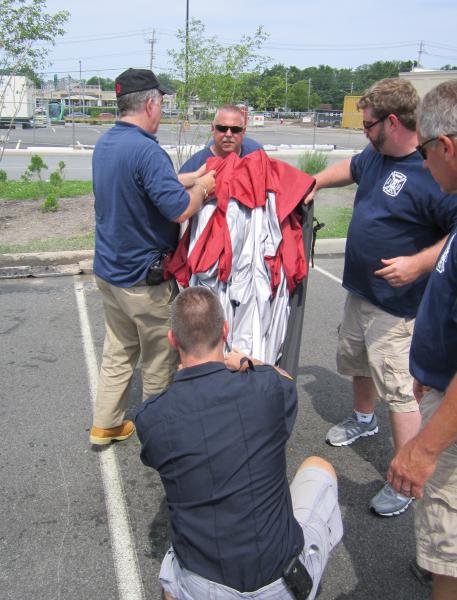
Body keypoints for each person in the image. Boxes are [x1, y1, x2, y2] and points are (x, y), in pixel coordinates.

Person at [304, 78, 457, 516]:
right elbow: (349, 168)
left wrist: (418, 264)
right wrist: (314, 180)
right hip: (361, 291)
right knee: (356, 360)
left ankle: (406, 478)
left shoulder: (433, 172)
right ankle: (362, 419)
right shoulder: (375, 155)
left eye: (369, 125)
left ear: (393, 122)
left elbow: (455, 236)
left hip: (399, 308)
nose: (364, 133)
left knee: (399, 389)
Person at [135, 287, 343, 600]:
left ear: (172, 340)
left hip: (205, 587)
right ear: (225, 330)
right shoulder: (266, 388)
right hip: (280, 582)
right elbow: (285, 380)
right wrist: (249, 361)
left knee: (173, 565)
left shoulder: (153, 416)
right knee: (319, 466)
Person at [89, 68, 216, 446]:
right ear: (149, 103)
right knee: (160, 360)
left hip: (110, 274)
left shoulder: (107, 143)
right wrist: (205, 189)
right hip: (144, 281)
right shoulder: (147, 150)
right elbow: (178, 210)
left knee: (119, 349)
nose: (162, 110)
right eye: (161, 103)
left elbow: (147, 186)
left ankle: (105, 424)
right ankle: (158, 437)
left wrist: (191, 177)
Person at [388, 80, 457, 599]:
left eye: (426, 151)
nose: (424, 165)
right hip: (439, 385)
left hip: (449, 423)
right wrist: (427, 371)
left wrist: (423, 450)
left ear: (446, 146)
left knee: (447, 551)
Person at [179, 104, 263, 173]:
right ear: (212, 128)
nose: (229, 134)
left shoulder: (257, 161)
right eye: (222, 128)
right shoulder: (194, 166)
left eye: (235, 129)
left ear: (243, 131)